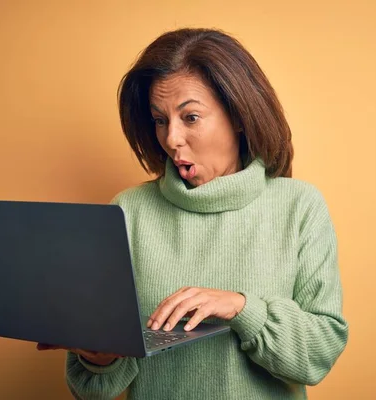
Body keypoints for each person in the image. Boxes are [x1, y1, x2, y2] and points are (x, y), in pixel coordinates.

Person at [38, 27, 349, 399]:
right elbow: (92, 388)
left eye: (190, 118)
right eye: (159, 120)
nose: (171, 139)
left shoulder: (299, 207)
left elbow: (319, 354)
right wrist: (99, 357)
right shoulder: (127, 212)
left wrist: (241, 308)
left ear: (238, 115)